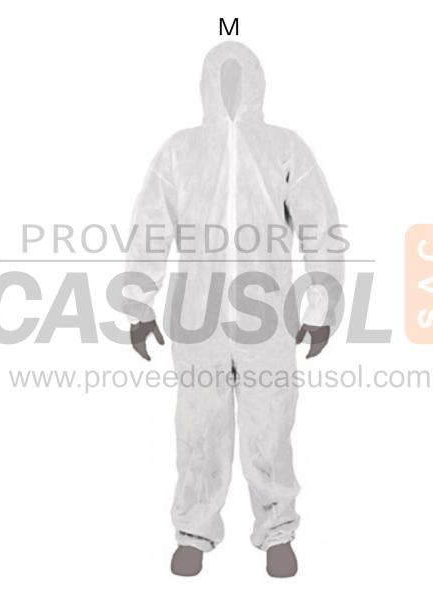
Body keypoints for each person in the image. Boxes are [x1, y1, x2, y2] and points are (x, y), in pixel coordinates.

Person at [125, 42, 344, 577]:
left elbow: (320, 227)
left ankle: (277, 530)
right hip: (196, 315)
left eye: (237, 79)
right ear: (206, 85)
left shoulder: (284, 147)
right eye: (220, 80)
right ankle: (194, 531)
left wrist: (321, 307)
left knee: (271, 424)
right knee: (199, 426)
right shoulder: (180, 150)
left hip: (266, 312)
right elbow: (150, 226)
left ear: (255, 83)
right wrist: (138, 304)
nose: (229, 90)